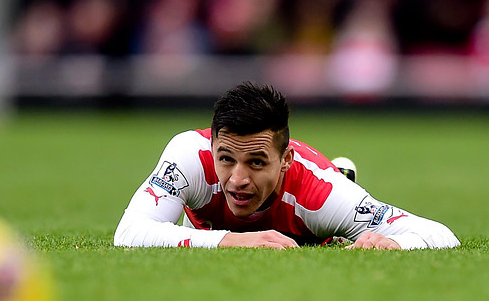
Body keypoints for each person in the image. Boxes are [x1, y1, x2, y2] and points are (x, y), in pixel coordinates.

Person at [114, 82, 460, 250]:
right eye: (226, 159)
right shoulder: (190, 156)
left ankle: (343, 189)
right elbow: (129, 233)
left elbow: (443, 236)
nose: (237, 179)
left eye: (257, 162)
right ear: (213, 147)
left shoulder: (320, 193)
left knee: (333, 226)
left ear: (285, 160)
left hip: (317, 206)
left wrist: (397, 245)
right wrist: (233, 242)